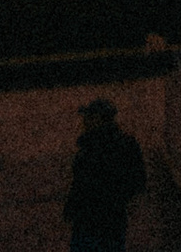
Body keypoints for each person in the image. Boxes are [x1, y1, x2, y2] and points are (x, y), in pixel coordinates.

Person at [64, 94, 149, 252]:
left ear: (97, 119)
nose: (84, 122)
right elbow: (138, 181)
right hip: (114, 219)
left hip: (88, 220)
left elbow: (81, 185)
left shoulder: (90, 149)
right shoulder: (127, 145)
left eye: (88, 117)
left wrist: (72, 208)